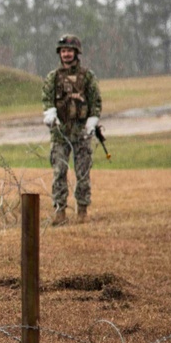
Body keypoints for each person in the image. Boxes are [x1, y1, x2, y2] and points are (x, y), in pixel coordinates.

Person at [42, 34, 103, 226]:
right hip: (60, 133)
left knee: (82, 173)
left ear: (76, 53)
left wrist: (92, 122)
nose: (66, 54)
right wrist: (50, 114)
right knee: (59, 171)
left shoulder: (88, 76)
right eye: (63, 51)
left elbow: (95, 101)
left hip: (82, 132)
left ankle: (82, 210)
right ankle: (60, 211)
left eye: (69, 51)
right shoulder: (53, 77)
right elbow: (47, 99)